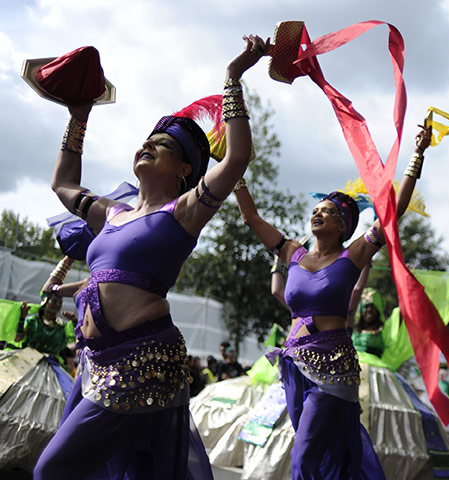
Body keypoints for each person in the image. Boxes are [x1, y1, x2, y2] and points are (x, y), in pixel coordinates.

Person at [33, 35, 267, 480]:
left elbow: (237, 156)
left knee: (52, 471)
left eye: (162, 144)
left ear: (183, 170)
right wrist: (79, 117)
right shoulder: (111, 214)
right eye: (145, 141)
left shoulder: (181, 213)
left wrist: (233, 79)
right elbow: (63, 185)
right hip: (94, 361)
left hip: (140, 361)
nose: (148, 145)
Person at [234, 122, 432, 478]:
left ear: (342, 225)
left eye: (327, 211)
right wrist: (235, 170)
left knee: (304, 456)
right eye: (316, 210)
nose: (317, 213)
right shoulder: (291, 253)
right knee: (323, 454)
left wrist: (417, 156)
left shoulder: (352, 256)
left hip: (333, 368)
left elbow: (392, 214)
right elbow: (250, 217)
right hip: (293, 366)